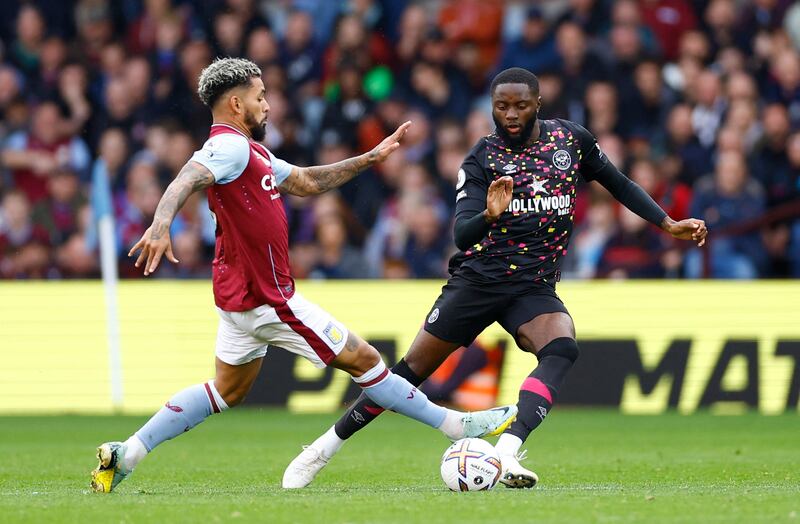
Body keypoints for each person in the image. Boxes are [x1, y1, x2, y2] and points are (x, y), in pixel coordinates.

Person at [90, 58, 517, 493]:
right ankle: (456, 425)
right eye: (260, 97)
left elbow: (308, 182)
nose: (268, 106)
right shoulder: (229, 147)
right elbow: (188, 175)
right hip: (269, 299)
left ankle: (128, 453)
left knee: (226, 391)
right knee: (366, 360)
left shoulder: (252, 153)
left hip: (238, 299)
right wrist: (161, 225)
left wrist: (370, 157)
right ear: (236, 104)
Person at [283, 67, 708, 490]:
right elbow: (461, 234)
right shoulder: (482, 159)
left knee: (562, 348)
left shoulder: (571, 142)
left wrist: (667, 222)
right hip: (478, 282)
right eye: (501, 106)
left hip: (533, 287)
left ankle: (507, 450)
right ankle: (321, 449)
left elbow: (619, 183)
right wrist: (489, 214)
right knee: (406, 374)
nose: (510, 114)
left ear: (538, 104)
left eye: (520, 106)